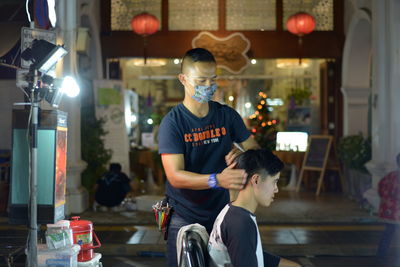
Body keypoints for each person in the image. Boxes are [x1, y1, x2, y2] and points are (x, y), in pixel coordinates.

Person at [158, 48, 259, 266]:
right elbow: (175, 176)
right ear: (183, 79)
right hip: (183, 215)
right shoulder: (173, 123)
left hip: (221, 212)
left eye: (212, 79)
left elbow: (255, 150)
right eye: (201, 79)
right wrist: (217, 180)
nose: (208, 85)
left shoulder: (226, 115)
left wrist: (244, 154)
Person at [208, 149, 300, 267]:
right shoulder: (240, 223)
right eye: (274, 182)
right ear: (256, 180)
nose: (276, 189)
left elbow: (251, 253)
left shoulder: (233, 211)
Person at [376, 153, 400, 258]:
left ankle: (381, 255)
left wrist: (385, 201)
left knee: (388, 233)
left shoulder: (391, 175)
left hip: (390, 212)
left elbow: (381, 188)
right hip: (397, 213)